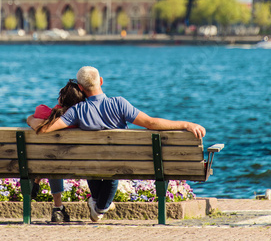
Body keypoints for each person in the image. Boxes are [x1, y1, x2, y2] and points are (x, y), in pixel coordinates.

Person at [27, 66, 206, 223]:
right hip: (120, 166)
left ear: (80, 88)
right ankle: (99, 209)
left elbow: (44, 129)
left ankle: (98, 207)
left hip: (91, 168)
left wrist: (30, 119)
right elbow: (151, 123)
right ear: (101, 81)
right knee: (109, 181)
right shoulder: (119, 104)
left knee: (96, 169)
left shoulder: (77, 111)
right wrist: (186, 124)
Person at [30, 79, 85, 223]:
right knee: (55, 157)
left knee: (52, 157)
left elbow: (37, 119)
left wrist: (29, 119)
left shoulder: (43, 112)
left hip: (47, 162)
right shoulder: (80, 119)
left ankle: (56, 205)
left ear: (61, 98)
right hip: (79, 164)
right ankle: (57, 207)